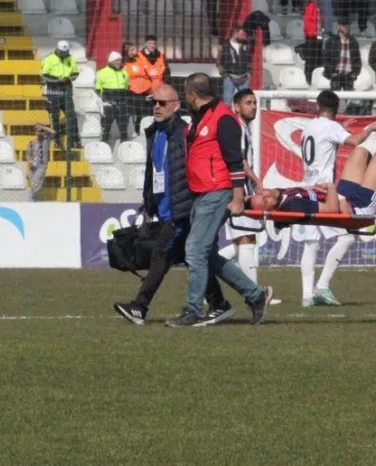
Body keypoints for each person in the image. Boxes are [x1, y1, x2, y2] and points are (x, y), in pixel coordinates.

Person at [113, 84, 234, 326]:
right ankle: (224, 302)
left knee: (161, 255)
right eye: (153, 103)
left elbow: (191, 169)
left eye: (162, 103)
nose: (156, 107)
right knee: (194, 258)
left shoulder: (184, 133)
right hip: (167, 207)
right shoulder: (155, 132)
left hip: (182, 209)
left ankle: (139, 307)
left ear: (176, 106)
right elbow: (156, 171)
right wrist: (150, 200)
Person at [168, 74, 273, 327]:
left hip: (217, 192)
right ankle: (256, 295)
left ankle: (194, 310)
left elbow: (234, 161)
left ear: (192, 95)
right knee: (207, 255)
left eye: (186, 95)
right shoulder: (202, 117)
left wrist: (238, 197)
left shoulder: (222, 118)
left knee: (194, 250)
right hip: (202, 194)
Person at [296, 90, 376, 306]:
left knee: (311, 244)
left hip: (307, 189)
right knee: (347, 235)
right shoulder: (331, 127)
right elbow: (354, 142)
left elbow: (324, 142)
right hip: (325, 192)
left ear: (318, 106)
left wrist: (340, 130)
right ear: (337, 110)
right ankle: (323, 286)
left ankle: (307, 296)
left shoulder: (309, 128)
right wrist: (368, 129)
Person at [249, 146, 376, 219]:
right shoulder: (292, 206)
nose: (267, 193)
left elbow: (245, 201)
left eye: (262, 193)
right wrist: (331, 187)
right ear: (268, 209)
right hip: (357, 207)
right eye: (265, 200)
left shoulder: (281, 194)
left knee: (360, 152)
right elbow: (331, 210)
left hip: (343, 196)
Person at [221, 89, 263, 284]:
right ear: (236, 107)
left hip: (243, 189)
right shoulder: (236, 126)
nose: (253, 106)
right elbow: (240, 160)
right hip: (238, 190)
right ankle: (256, 294)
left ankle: (204, 274)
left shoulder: (245, 127)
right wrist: (256, 180)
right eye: (248, 103)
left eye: (254, 103)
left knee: (246, 240)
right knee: (245, 239)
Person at [40, 40, 81, 149]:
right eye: (62, 52)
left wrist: (68, 78)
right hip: (53, 92)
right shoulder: (49, 59)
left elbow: (76, 73)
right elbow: (44, 76)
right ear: (57, 49)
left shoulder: (71, 58)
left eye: (66, 52)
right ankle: (56, 140)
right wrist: (57, 80)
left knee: (72, 117)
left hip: (66, 92)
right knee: (54, 117)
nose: (64, 54)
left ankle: (75, 140)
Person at [94, 51, 130, 143]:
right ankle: (102, 147)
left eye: (120, 60)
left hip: (122, 104)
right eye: (116, 60)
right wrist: (105, 100)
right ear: (110, 61)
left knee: (123, 129)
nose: (119, 62)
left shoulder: (124, 72)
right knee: (105, 128)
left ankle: (124, 149)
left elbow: (127, 86)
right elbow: (97, 89)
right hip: (108, 104)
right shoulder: (101, 72)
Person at [322, 19, 361, 94]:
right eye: (343, 25)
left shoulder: (353, 41)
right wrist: (332, 72)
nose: (346, 27)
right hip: (336, 75)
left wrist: (355, 73)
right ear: (338, 27)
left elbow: (357, 59)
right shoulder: (331, 41)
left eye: (347, 25)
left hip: (349, 76)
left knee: (349, 100)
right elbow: (326, 60)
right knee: (334, 99)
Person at [218, 26, 252, 106]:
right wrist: (224, 74)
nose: (243, 36)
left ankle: (241, 118)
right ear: (235, 34)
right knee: (227, 104)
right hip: (229, 77)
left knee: (245, 103)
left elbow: (249, 61)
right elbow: (218, 62)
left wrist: (249, 73)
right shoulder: (224, 46)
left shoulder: (245, 45)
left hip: (243, 77)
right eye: (241, 34)